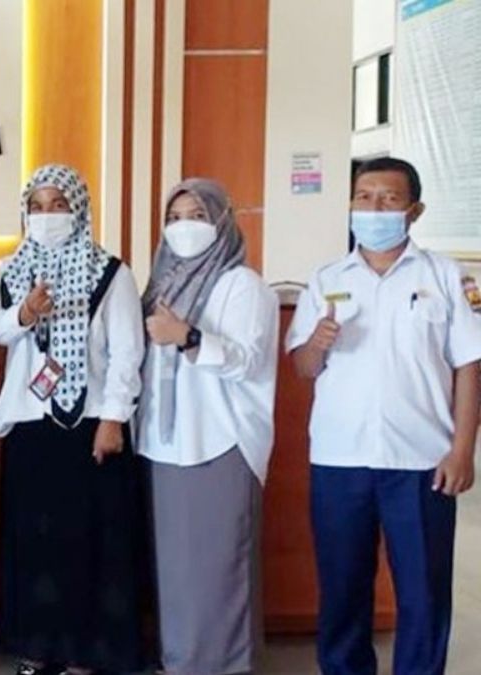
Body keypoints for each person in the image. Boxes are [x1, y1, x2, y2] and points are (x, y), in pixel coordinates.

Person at [286, 157, 481, 675]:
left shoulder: (446, 276)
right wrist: (317, 343)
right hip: (340, 458)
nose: (374, 208)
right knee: (342, 588)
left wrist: (463, 450)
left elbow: (469, 365)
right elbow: (303, 367)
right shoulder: (326, 278)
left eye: (389, 198)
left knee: (423, 591)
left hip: (421, 460)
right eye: (364, 196)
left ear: (414, 211)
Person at [0, 164, 147, 675]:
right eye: (37, 206)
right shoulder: (10, 268)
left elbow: (127, 351)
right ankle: (38, 649)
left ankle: (85, 654)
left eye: (58, 204)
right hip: (30, 423)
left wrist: (114, 418)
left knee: (88, 541)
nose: (47, 214)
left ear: (78, 210)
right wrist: (25, 314)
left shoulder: (111, 272)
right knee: (35, 542)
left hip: (91, 424)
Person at [139, 178, 279, 674]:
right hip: (163, 442)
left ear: (222, 221)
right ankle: (181, 660)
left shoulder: (242, 285)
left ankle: (223, 665)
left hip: (220, 440)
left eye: (197, 215)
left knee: (219, 567)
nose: (184, 227)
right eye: (174, 218)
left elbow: (247, 361)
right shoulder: (160, 283)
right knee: (176, 569)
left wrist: (188, 336)